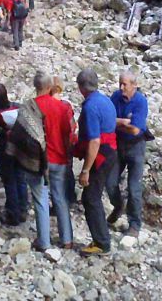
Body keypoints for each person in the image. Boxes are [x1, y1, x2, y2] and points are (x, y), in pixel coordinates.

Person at [73, 68, 117, 256]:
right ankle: (102, 238)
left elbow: (94, 141)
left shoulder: (90, 107)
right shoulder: (105, 100)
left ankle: (102, 242)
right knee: (94, 196)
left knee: (90, 198)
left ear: (81, 87)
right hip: (111, 152)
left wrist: (85, 170)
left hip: (100, 155)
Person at [31, 72, 73, 249]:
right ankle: (67, 239)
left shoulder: (31, 107)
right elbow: (68, 135)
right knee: (60, 198)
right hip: (59, 158)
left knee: (40, 198)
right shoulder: (63, 108)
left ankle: (44, 241)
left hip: (39, 160)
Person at [106, 71, 149, 237]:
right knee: (110, 182)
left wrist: (117, 123)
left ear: (134, 85)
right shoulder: (115, 97)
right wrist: (123, 122)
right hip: (118, 144)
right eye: (120, 83)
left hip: (136, 146)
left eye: (125, 84)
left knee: (134, 187)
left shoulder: (140, 101)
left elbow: (136, 128)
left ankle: (134, 224)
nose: (121, 87)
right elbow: (107, 119)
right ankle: (118, 206)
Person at [0, 83, 28, 225]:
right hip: (20, 148)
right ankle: (23, 209)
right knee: (20, 178)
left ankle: (12, 214)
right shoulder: (18, 107)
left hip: (3, 149)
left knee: (9, 181)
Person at [51, 76, 78, 204]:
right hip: (69, 143)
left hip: (56, 145)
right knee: (68, 171)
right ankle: (71, 196)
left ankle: (59, 202)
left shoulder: (47, 106)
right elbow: (73, 125)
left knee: (57, 176)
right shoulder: (67, 105)